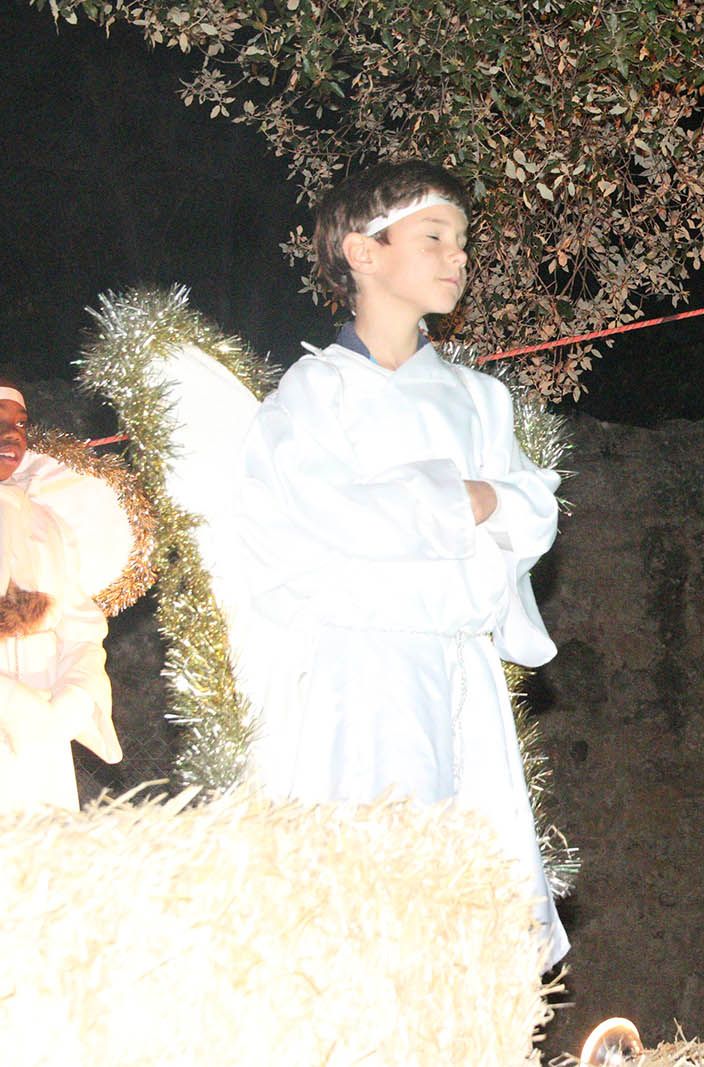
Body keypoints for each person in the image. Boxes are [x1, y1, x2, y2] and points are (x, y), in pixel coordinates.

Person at [233, 161, 569, 965]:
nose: (458, 258)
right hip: (364, 671)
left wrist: (470, 506)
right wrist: (465, 502)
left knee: (475, 890)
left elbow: (532, 512)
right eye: (434, 237)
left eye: (461, 241)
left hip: (461, 668)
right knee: (372, 880)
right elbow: (323, 515)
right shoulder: (313, 395)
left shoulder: (481, 400)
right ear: (363, 252)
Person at [0, 379, 121, 811]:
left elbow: (82, 631)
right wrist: (13, 706)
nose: (11, 434)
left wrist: (73, 698)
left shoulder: (48, 524)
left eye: (20, 422)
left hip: (42, 738)